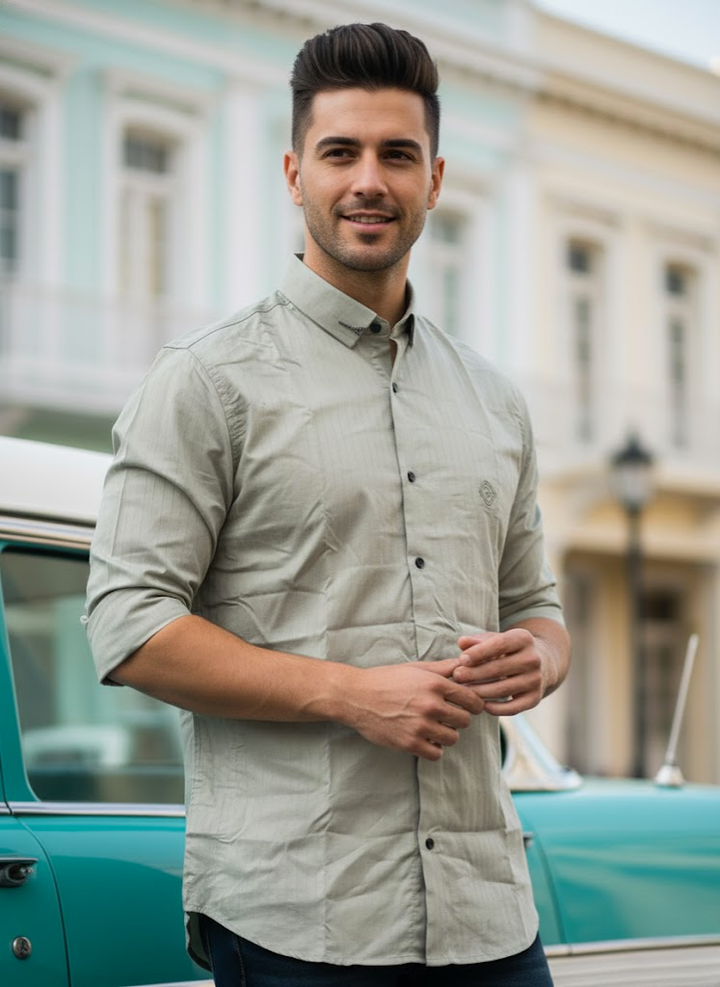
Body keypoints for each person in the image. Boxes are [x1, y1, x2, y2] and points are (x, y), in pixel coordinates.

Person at [85, 21, 569, 987]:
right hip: (297, 916)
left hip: (487, 914)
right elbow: (127, 625)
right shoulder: (204, 381)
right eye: (339, 151)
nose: (368, 181)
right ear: (294, 171)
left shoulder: (494, 399)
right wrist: (352, 692)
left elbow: (540, 609)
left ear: (434, 178)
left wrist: (540, 657)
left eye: (398, 154)